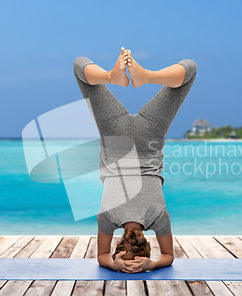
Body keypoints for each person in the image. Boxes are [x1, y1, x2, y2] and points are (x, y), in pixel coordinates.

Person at [73, 47, 197, 273]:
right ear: (118, 243)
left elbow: (168, 257)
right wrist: (114, 263)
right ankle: (112, 77)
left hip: (149, 135)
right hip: (115, 137)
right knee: (79, 66)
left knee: (190, 68)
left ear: (148, 244)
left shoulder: (159, 218)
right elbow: (101, 256)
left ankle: (146, 76)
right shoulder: (107, 218)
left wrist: (152, 263)